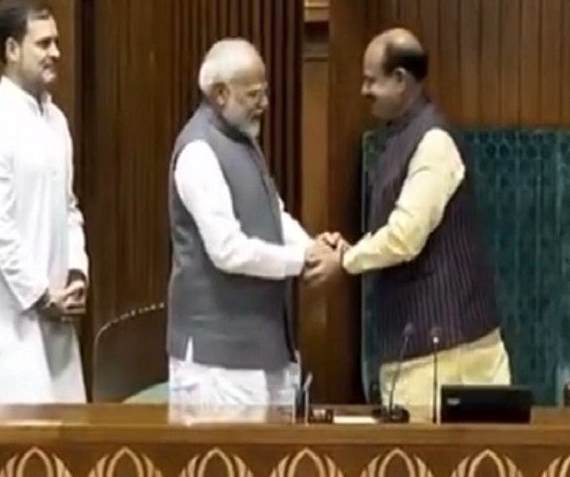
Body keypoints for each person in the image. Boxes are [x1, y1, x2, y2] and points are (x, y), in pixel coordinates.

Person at [327, 28, 510, 422]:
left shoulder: (433, 142)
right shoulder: (400, 136)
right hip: (425, 352)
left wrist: (346, 260)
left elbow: (404, 237)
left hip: (448, 358)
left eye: (370, 80)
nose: (363, 90)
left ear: (400, 80)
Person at [167, 38, 339, 423]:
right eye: (253, 95)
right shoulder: (199, 152)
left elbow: (273, 214)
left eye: (265, 92)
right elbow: (227, 250)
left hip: (265, 350)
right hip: (218, 362)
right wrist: (302, 260)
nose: (264, 104)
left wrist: (314, 246)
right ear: (221, 93)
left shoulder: (242, 141)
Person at [0, 0, 88, 404]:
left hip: (58, 310)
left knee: (67, 449)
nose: (56, 53)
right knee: (12, 450)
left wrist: (76, 272)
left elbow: (68, 207)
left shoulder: (56, 120)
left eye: (56, 43)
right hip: (11, 318)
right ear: (12, 50)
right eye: (44, 43)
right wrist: (39, 295)